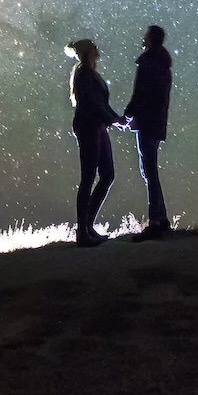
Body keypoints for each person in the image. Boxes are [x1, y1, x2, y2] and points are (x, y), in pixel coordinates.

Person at [66, 38, 124, 245]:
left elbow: (100, 103)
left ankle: (87, 226)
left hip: (97, 127)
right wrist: (114, 119)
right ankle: (83, 231)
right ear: (89, 52)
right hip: (90, 127)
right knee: (89, 177)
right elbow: (93, 103)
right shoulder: (84, 73)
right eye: (94, 47)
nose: (98, 49)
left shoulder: (88, 72)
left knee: (106, 175)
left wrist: (115, 119)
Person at [123, 24, 174, 238]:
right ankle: (161, 218)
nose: (142, 39)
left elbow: (140, 93)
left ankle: (156, 221)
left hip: (146, 123)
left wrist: (127, 115)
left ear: (150, 39)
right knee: (151, 170)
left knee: (149, 171)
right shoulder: (163, 64)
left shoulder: (147, 63)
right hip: (157, 122)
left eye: (145, 36)